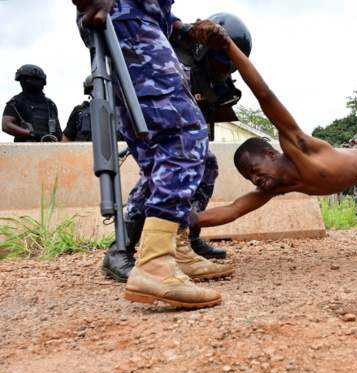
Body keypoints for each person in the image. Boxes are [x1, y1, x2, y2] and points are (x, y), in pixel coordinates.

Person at [74, 0, 236, 309]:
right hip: (129, 19)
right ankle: (155, 263)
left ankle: (172, 249)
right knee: (183, 135)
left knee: (180, 157)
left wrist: (184, 28)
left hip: (143, 20)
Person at [190, 40, 357, 229]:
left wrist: (227, 44)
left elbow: (265, 95)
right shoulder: (277, 186)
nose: (254, 179)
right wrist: (179, 221)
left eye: (253, 170)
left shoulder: (298, 148)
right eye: (248, 178)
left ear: (270, 154)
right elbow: (232, 210)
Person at [101, 13, 251, 282]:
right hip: (140, 109)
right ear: (204, 52)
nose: (225, 72)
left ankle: (185, 238)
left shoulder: (212, 78)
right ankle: (120, 250)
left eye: (231, 67)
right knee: (163, 167)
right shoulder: (174, 61)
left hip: (169, 123)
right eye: (221, 63)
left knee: (206, 165)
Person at [2, 65, 62, 143]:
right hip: (25, 149)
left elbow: (58, 132)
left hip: (49, 148)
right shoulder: (16, 101)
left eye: (35, 79)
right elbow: (6, 125)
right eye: (27, 79)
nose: (30, 81)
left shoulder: (50, 104)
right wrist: (32, 134)